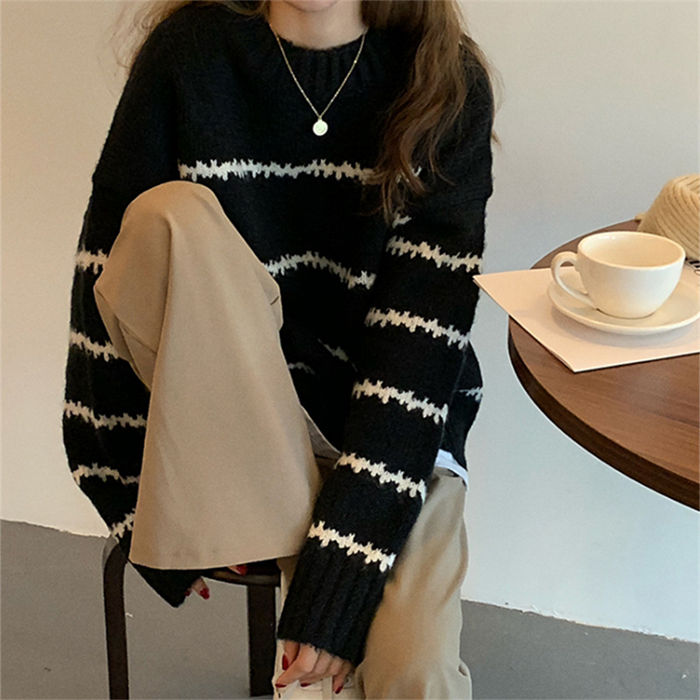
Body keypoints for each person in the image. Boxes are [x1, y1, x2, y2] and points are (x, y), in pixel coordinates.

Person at [62, 0, 496, 697]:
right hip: (239, 419)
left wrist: (342, 568)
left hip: (391, 431)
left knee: (417, 673)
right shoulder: (190, 55)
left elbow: (419, 342)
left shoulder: (442, 78)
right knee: (165, 218)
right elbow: (104, 277)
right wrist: (129, 485)